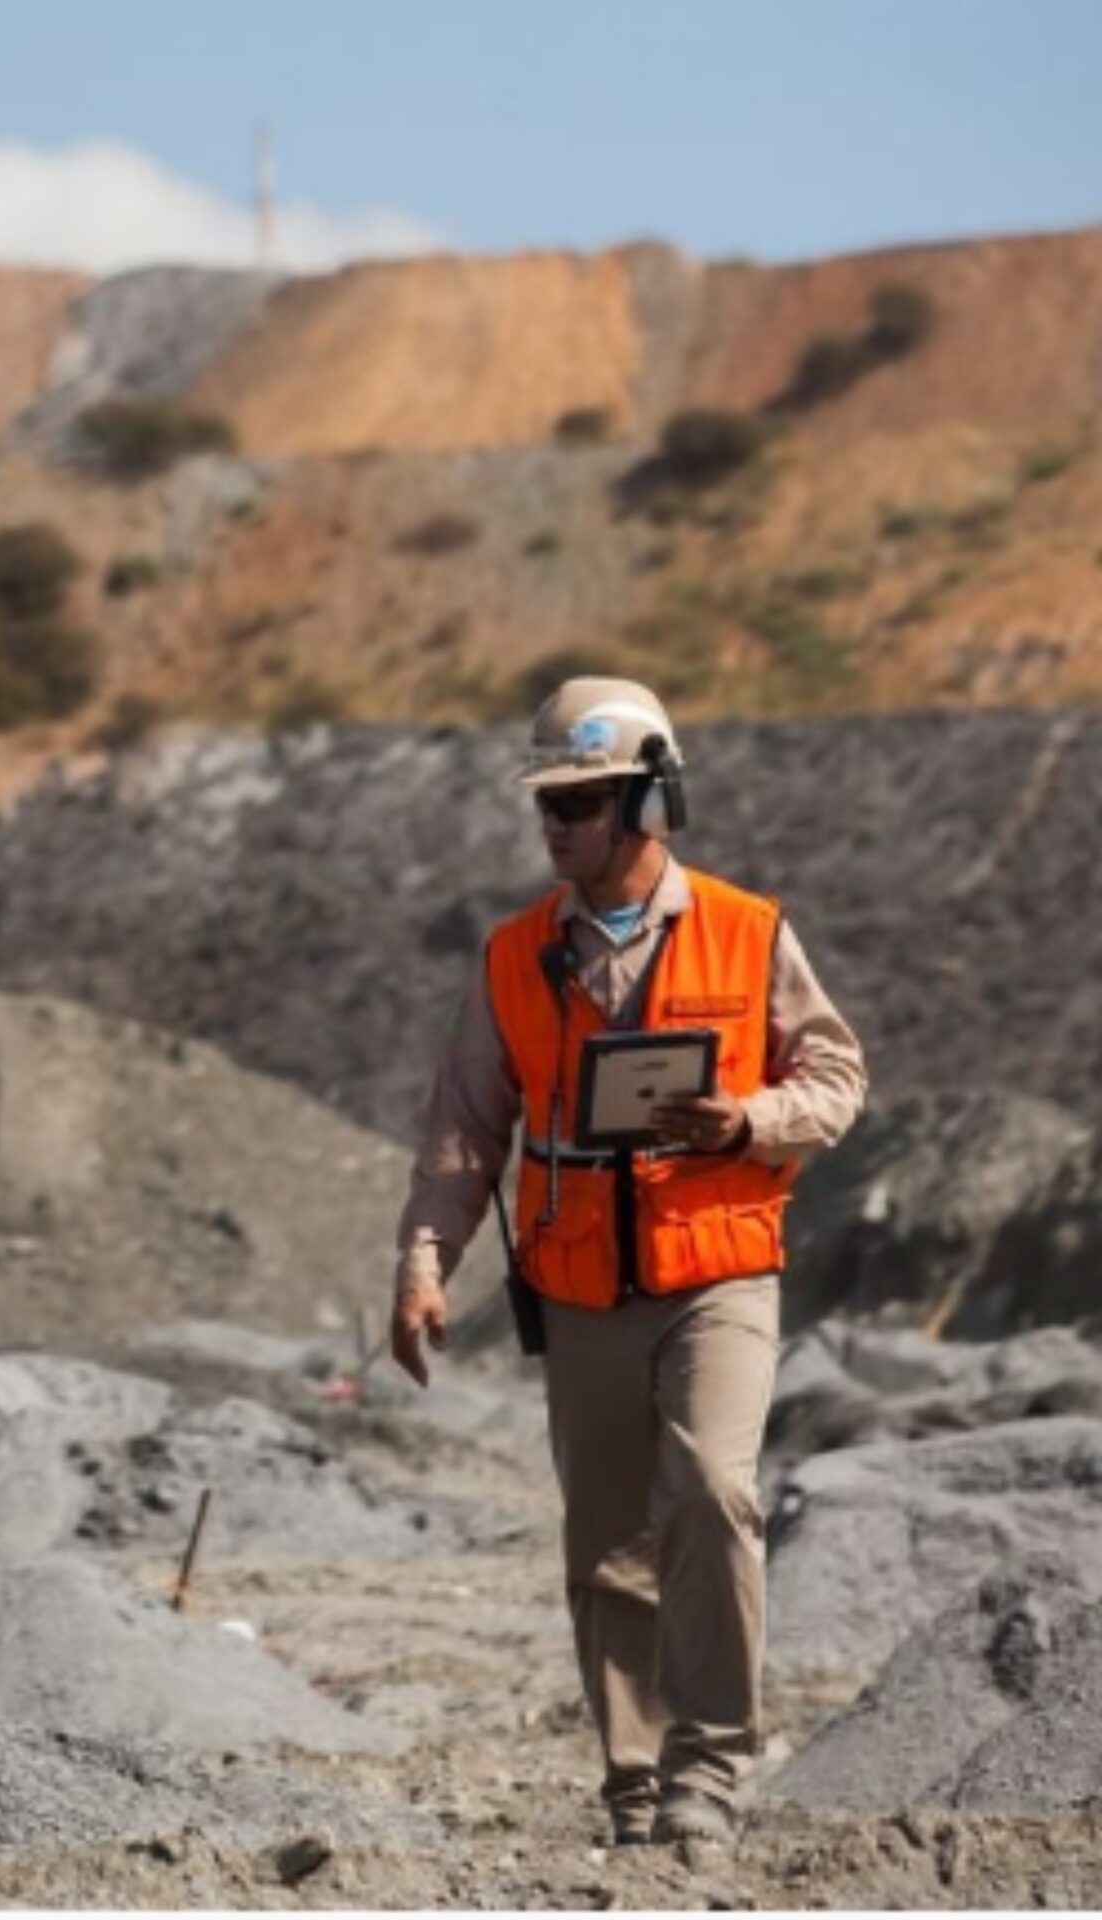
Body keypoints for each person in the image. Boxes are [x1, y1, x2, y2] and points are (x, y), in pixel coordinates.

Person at [388, 677, 867, 1850]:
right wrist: (422, 1256)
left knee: (710, 1493)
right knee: (604, 1544)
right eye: (547, 804)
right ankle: (636, 1784)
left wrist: (746, 1121)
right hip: (579, 1286)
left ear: (652, 801)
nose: (557, 826)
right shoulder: (511, 960)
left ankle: (711, 1768)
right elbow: (465, 1127)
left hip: (716, 1273)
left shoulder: (749, 931)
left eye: (584, 801)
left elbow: (836, 1080)